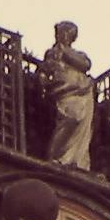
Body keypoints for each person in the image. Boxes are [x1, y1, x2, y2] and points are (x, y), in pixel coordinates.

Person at [39, 21, 96, 170]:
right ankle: (58, 155)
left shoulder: (76, 54)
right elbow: (45, 70)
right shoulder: (52, 53)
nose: (63, 36)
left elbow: (86, 64)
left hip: (82, 91)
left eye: (67, 33)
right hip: (64, 91)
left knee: (81, 122)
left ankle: (76, 160)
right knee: (70, 119)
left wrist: (65, 53)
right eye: (61, 33)